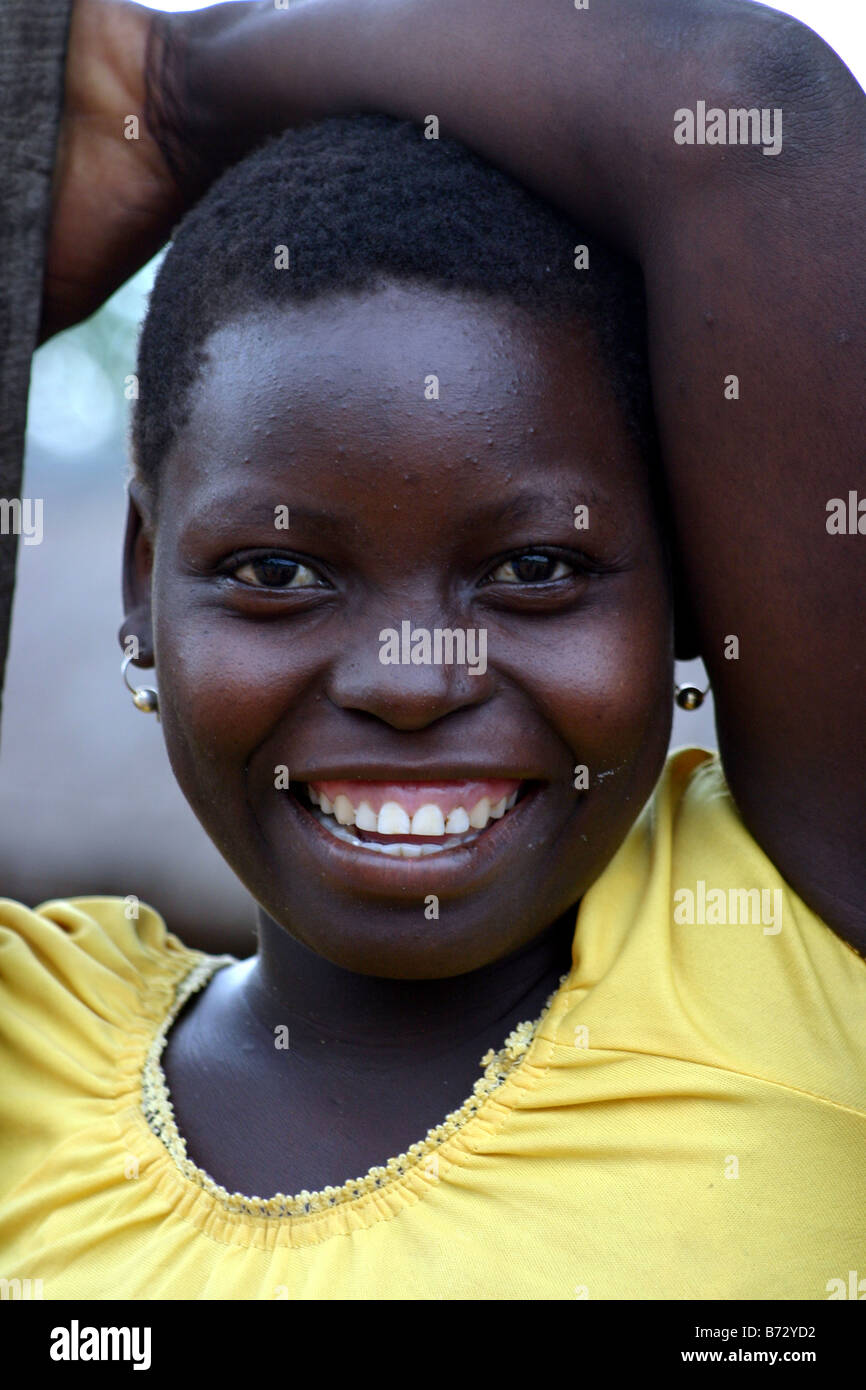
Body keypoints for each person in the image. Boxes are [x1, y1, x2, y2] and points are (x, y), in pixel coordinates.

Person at [0, 0, 863, 1300]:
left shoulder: (801, 940)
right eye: (278, 571)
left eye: (535, 570)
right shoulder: (28, 1049)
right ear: (140, 582)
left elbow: (746, 115)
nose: (408, 678)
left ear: (691, 589)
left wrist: (179, 89)